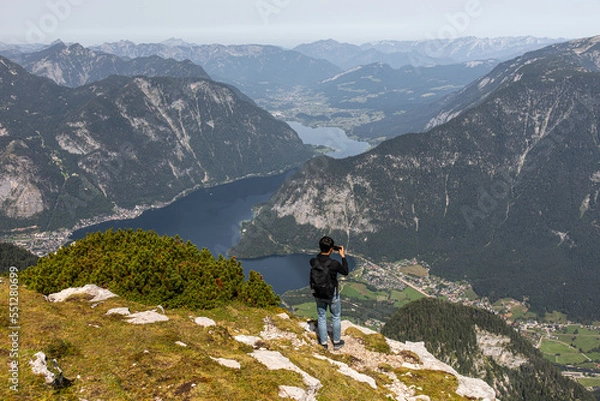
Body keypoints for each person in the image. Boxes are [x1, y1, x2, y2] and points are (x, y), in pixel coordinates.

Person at [310, 236, 349, 350]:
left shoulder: (313, 261)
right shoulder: (334, 263)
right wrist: (343, 256)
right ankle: (336, 342)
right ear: (331, 249)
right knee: (335, 316)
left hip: (318, 293)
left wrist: (324, 250)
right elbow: (345, 271)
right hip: (332, 293)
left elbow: (318, 259)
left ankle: (323, 344)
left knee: (321, 316)